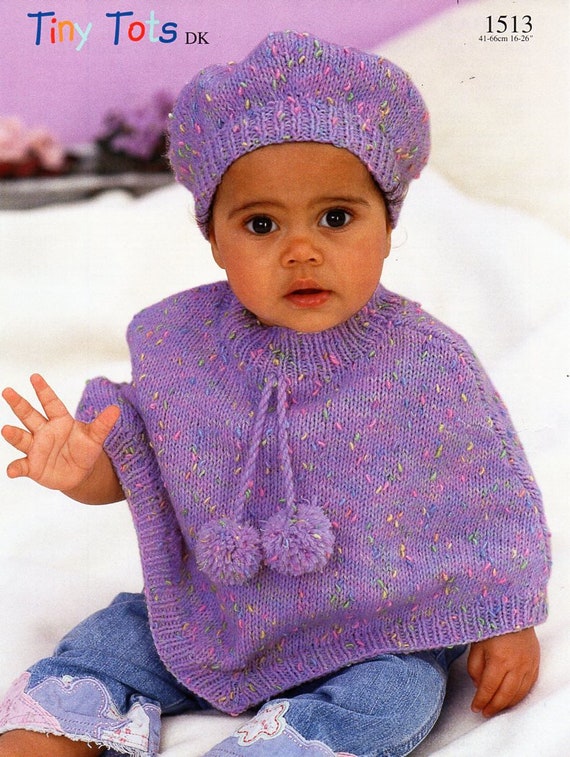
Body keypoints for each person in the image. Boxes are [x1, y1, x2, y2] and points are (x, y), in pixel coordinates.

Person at [0, 30, 551, 757]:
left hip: (371, 627)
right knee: (113, 635)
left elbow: (487, 500)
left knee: (396, 695)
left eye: (336, 217)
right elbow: (142, 461)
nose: (301, 249)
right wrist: (82, 469)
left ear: (387, 226)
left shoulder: (427, 362)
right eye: (261, 223)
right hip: (220, 612)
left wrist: (505, 618)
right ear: (214, 240)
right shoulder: (179, 344)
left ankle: (284, 743)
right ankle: (54, 731)